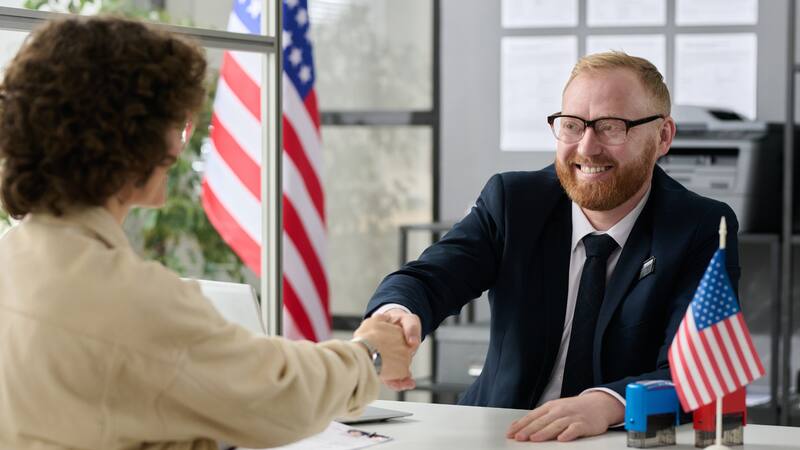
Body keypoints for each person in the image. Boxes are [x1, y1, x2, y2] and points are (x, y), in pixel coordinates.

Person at [0, 16, 413, 450]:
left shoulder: (13, 258)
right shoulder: (123, 297)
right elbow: (279, 396)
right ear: (129, 140)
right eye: (174, 125)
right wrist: (368, 353)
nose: (179, 148)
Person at [364, 51, 740, 442]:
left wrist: (608, 402)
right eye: (573, 125)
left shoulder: (699, 228)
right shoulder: (513, 201)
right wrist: (398, 314)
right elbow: (430, 278)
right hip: (497, 433)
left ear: (663, 136)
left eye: (611, 127)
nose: (587, 147)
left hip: (615, 437)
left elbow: (698, 369)